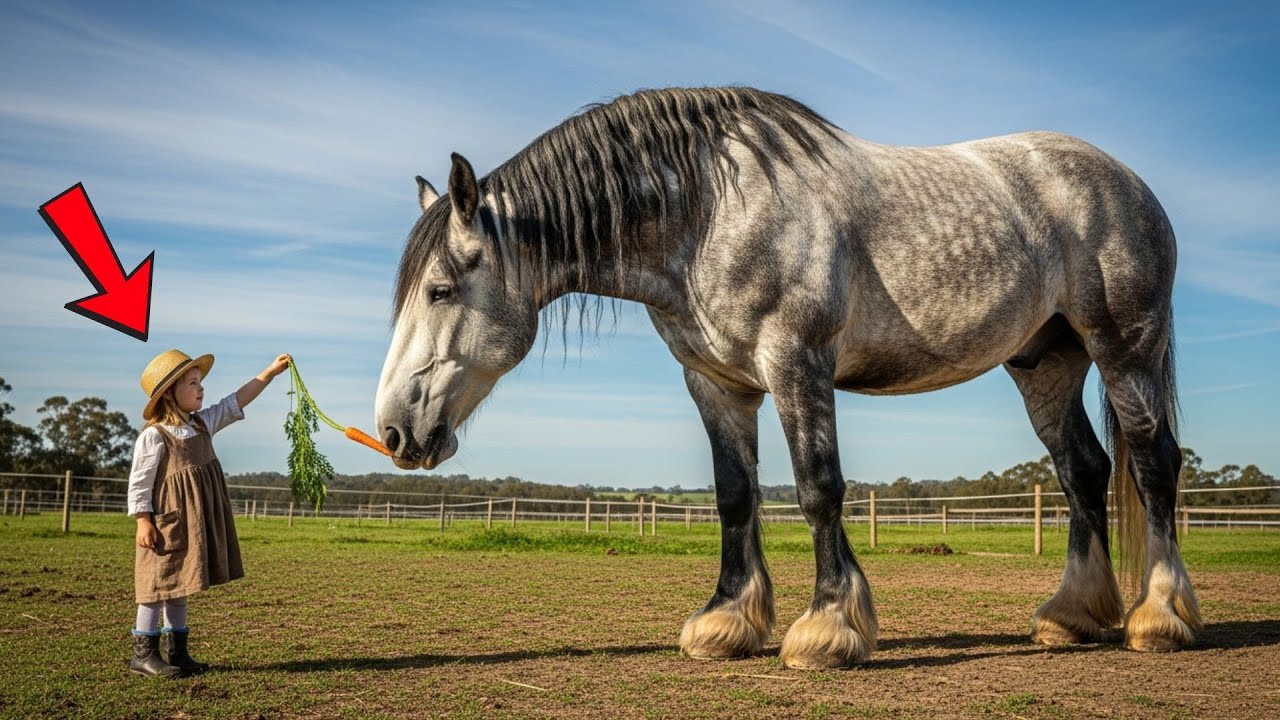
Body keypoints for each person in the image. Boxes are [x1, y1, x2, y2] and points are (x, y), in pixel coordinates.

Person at [126, 349, 290, 677]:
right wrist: (143, 520)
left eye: (200, 382)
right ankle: (143, 654)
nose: (201, 389)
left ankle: (178, 652)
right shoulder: (154, 436)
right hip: (166, 522)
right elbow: (139, 482)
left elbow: (236, 401)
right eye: (192, 383)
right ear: (170, 392)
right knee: (156, 585)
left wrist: (269, 373)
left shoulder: (203, 424)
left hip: (193, 523)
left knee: (180, 583)